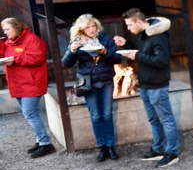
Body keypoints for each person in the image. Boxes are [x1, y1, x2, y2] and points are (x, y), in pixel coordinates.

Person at [114, 9, 180, 168]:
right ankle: (158, 149)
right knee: (154, 119)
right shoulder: (145, 34)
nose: (128, 28)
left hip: (157, 86)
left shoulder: (158, 36)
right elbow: (144, 51)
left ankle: (172, 153)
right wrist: (128, 45)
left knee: (167, 120)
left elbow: (161, 61)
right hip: (145, 84)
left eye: (130, 25)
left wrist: (136, 55)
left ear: (138, 22)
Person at [62, 14, 123, 162]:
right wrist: (72, 51)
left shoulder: (104, 38)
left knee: (107, 115)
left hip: (106, 81)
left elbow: (118, 58)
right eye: (87, 27)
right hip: (89, 83)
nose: (91, 29)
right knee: (96, 116)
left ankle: (111, 146)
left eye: (93, 26)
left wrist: (106, 52)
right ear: (81, 28)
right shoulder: (76, 41)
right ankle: (102, 147)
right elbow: (66, 63)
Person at [2, 18, 55, 158]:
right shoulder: (11, 41)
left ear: (16, 27)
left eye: (7, 29)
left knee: (30, 114)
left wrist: (16, 59)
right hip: (18, 83)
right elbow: (3, 53)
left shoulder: (32, 39)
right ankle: (40, 140)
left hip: (31, 83)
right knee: (30, 114)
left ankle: (46, 143)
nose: (5, 32)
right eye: (4, 30)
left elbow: (37, 58)